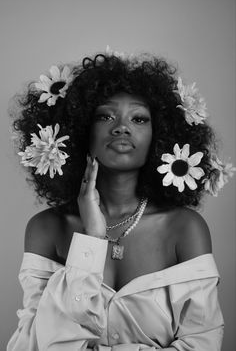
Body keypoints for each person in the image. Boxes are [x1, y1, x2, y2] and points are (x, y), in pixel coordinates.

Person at [8, 48, 234, 350]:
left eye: (139, 119)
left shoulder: (185, 228)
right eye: (105, 115)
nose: (122, 127)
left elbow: (203, 343)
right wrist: (91, 239)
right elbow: (33, 344)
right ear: (80, 129)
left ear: (161, 135)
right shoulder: (46, 228)